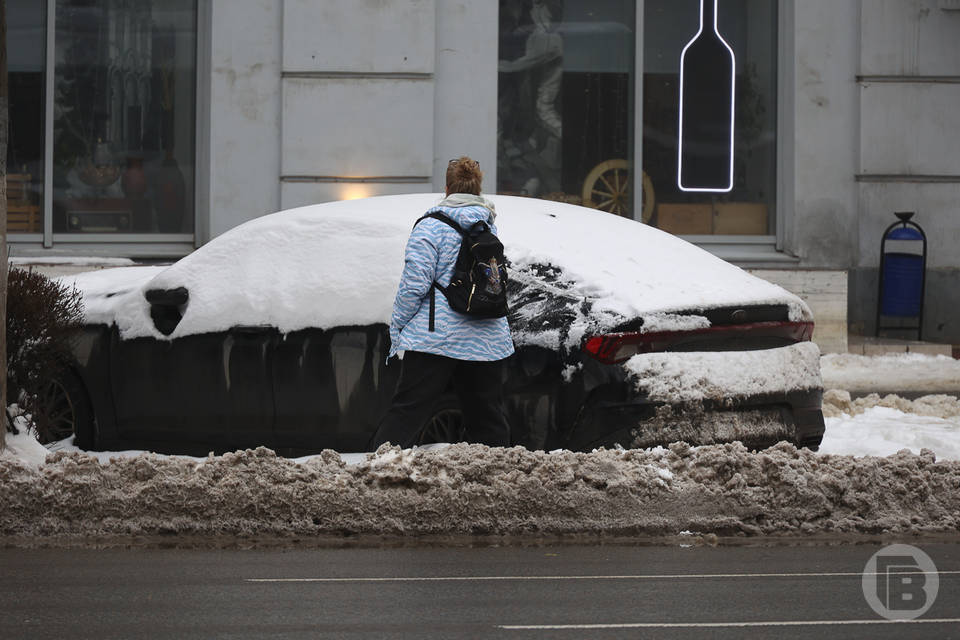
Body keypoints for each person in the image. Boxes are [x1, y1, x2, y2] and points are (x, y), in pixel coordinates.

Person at [370, 157, 514, 449]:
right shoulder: (487, 227)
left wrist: (397, 327)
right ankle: (496, 482)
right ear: (478, 189)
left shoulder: (430, 227)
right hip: (485, 339)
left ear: (446, 188)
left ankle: (375, 475)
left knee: (407, 413)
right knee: (487, 419)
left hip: (435, 338)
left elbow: (415, 283)